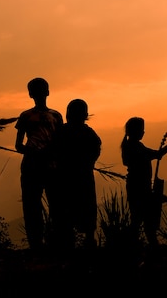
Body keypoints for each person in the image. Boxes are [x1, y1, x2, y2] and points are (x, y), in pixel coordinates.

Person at [15, 77, 64, 250]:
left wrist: (50, 153)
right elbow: (19, 145)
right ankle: (36, 243)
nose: (40, 94)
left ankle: (55, 241)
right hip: (32, 165)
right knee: (32, 204)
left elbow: (60, 142)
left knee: (55, 204)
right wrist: (34, 152)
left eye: (41, 90)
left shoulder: (56, 116)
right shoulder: (25, 116)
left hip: (51, 165)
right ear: (31, 94)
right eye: (37, 91)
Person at [49, 99, 102, 250]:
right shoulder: (88, 133)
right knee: (86, 209)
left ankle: (68, 243)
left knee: (66, 210)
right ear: (85, 115)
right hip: (81, 177)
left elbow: (54, 151)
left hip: (66, 178)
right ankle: (88, 242)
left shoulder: (61, 132)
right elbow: (95, 150)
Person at [121, 117, 167, 248]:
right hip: (141, 188)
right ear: (135, 131)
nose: (143, 132)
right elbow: (159, 154)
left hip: (135, 186)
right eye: (141, 129)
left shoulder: (129, 146)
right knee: (144, 220)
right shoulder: (136, 147)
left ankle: (136, 245)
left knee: (138, 219)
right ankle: (144, 246)